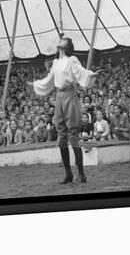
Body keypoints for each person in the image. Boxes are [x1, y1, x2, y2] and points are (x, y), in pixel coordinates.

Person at [27, 37, 100, 183]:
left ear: (67, 46)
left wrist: (91, 74)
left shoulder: (72, 59)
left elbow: (81, 72)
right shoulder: (56, 62)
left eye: (63, 40)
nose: (60, 40)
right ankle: (68, 174)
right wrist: (35, 84)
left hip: (69, 95)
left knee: (73, 134)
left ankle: (81, 173)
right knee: (61, 135)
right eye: (60, 39)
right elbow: (49, 79)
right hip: (59, 96)